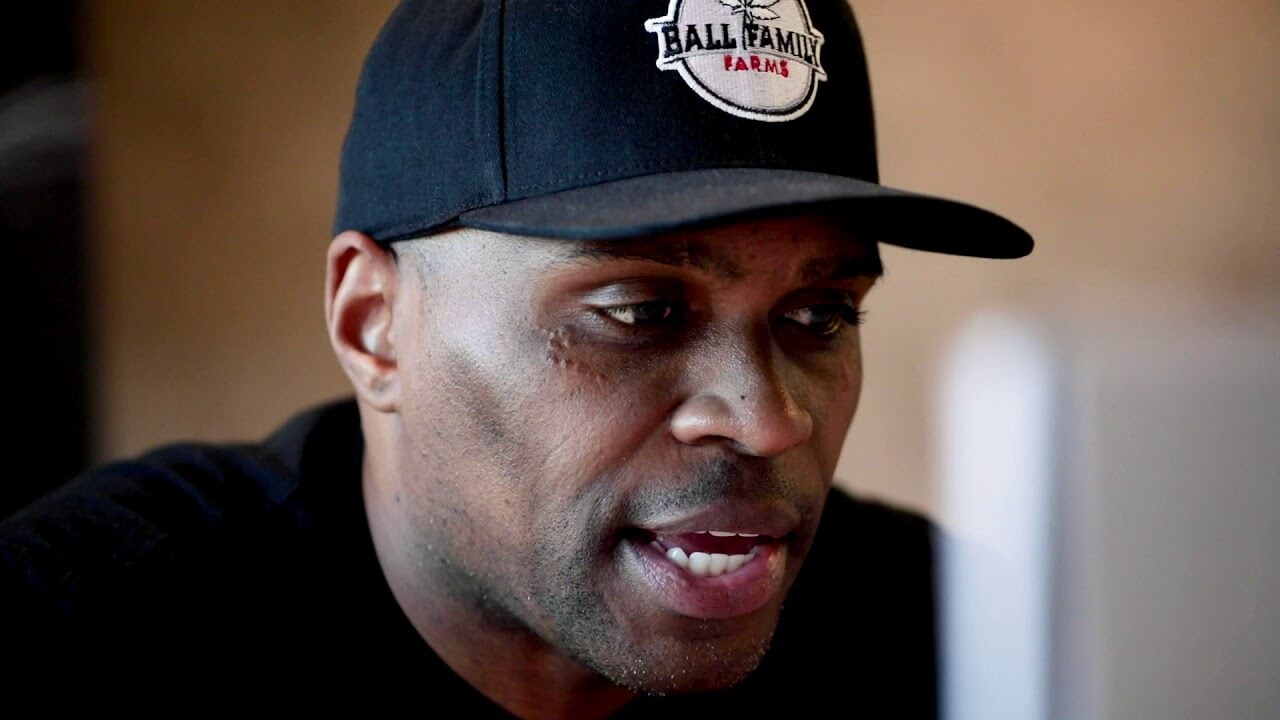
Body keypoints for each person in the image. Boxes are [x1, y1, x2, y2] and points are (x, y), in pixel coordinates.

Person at [1, 1, 1032, 716]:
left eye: (819, 314)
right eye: (639, 312)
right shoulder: (85, 640)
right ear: (373, 325)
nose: (767, 421)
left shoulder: (969, 641)